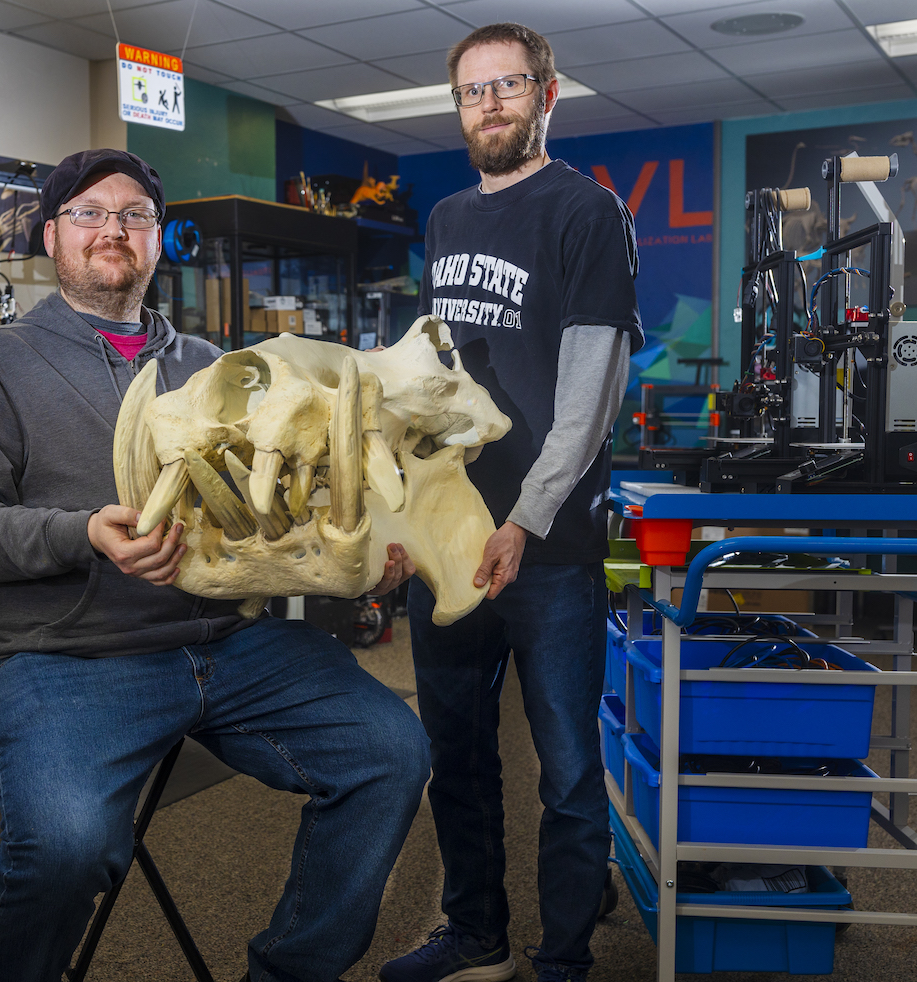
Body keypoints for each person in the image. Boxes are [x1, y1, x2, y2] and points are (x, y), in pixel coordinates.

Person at [0, 148, 431, 982]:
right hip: (66, 656)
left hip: (231, 644)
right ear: (52, 237)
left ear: (158, 242)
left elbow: (274, 514)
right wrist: (82, 531)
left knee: (393, 750)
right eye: (88, 214)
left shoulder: (215, 367)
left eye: (135, 217)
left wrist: (354, 558)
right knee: (64, 846)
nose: (112, 231)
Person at [379, 23, 643, 982]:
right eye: (471, 92)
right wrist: (403, 511)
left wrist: (524, 520)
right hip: (448, 535)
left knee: (568, 769)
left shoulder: (586, 212)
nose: (489, 105)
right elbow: (428, 386)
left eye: (508, 86)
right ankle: (477, 935)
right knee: (459, 755)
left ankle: (566, 952)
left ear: (548, 94)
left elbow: (590, 395)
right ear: (458, 108)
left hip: (550, 549)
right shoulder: (446, 219)